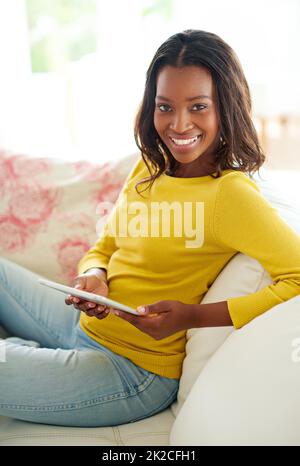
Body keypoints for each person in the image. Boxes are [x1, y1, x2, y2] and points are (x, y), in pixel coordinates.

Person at [1, 30, 300, 427]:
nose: (179, 124)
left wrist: (191, 316)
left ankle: (24, 354)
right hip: (84, 323)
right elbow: (105, 245)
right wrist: (94, 275)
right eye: (165, 107)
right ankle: (27, 352)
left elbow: (296, 277)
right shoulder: (150, 167)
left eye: (198, 106)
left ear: (225, 107)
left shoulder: (229, 195)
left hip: (131, 371)